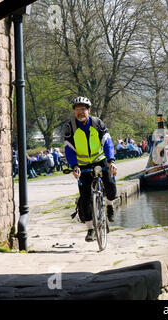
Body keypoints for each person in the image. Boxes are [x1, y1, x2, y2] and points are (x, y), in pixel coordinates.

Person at [63, 96, 118, 242]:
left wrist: (111, 160)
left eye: (83, 109)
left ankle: (109, 205)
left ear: (89, 110)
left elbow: (107, 142)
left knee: (111, 186)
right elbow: (69, 149)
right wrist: (74, 166)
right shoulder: (70, 127)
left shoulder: (97, 123)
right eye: (77, 110)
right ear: (74, 111)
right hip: (82, 165)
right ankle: (90, 229)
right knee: (85, 197)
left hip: (100, 160)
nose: (80, 112)